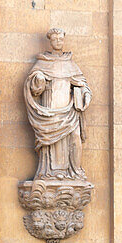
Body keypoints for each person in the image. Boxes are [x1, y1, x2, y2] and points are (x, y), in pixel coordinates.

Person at [24, 28, 92, 181]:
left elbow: (82, 84)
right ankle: (50, 173)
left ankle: (73, 172)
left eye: (60, 39)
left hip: (70, 111)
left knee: (74, 138)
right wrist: (38, 79)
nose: (58, 42)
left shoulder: (70, 63)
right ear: (50, 41)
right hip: (50, 109)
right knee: (51, 141)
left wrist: (86, 95)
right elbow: (34, 88)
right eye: (55, 40)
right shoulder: (43, 62)